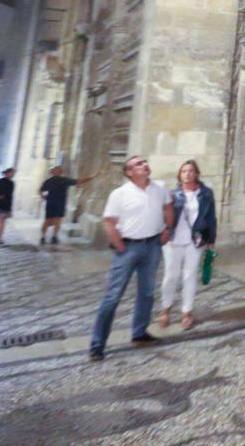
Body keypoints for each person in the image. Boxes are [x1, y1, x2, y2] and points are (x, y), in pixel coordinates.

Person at [88, 155, 173, 362]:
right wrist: (119, 245)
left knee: (146, 292)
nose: (144, 165)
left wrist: (168, 228)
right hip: (128, 247)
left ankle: (139, 333)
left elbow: (168, 207)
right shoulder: (120, 194)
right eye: (138, 164)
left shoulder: (160, 187)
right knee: (113, 296)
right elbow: (109, 222)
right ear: (129, 172)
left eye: (145, 162)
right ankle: (97, 345)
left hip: (152, 245)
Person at [158, 159, 216, 331]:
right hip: (173, 240)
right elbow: (165, 216)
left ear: (196, 173)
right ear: (179, 175)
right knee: (170, 276)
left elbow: (211, 218)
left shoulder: (206, 194)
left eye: (190, 171)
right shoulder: (173, 194)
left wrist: (211, 240)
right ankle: (166, 308)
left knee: (190, 276)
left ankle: (187, 312)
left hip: (195, 240)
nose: (187, 174)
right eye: (184, 171)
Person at [39, 165, 92, 245]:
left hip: (52, 203)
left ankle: (46, 237)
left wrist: (43, 196)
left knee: (50, 220)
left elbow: (41, 191)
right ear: (61, 172)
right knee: (55, 220)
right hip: (58, 203)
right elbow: (79, 181)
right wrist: (92, 177)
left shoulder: (50, 181)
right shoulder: (62, 180)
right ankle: (51, 237)